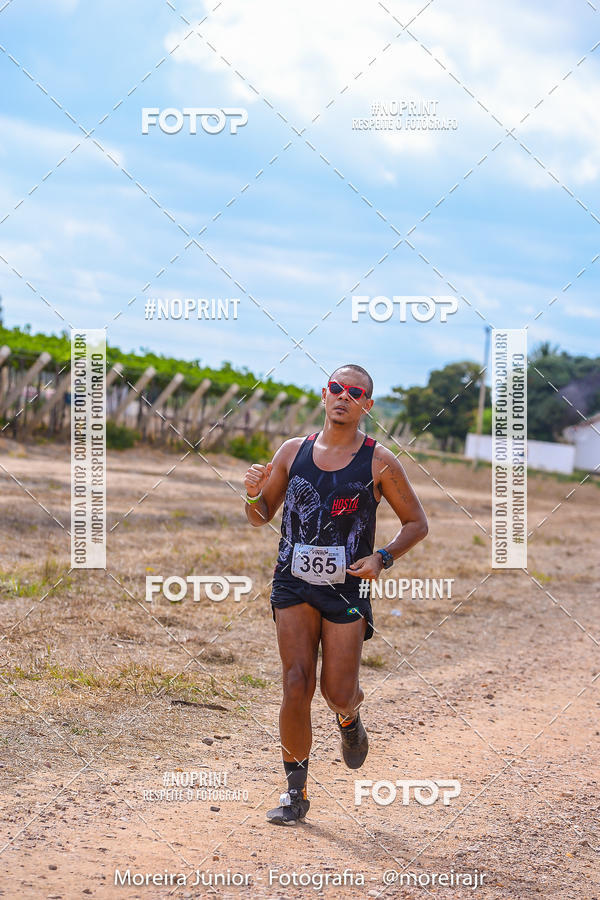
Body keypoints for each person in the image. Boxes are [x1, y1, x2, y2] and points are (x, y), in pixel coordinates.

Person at [243, 364, 428, 825]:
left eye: (355, 392)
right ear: (324, 395)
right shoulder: (292, 451)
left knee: (338, 691)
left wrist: (382, 557)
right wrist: (251, 495)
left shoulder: (379, 461)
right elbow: (261, 515)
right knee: (295, 682)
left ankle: (348, 719)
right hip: (293, 581)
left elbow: (417, 524)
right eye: (336, 388)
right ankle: (294, 793)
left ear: (367, 404)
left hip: (346, 586)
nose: (343, 396)